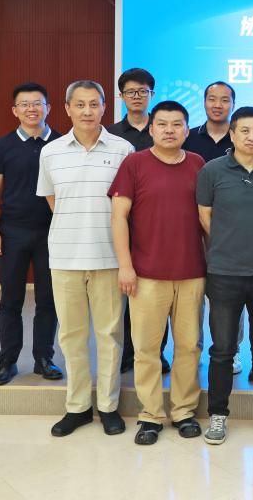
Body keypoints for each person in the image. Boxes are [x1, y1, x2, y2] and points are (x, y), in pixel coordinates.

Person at [38, 80, 134, 437]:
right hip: (65, 257)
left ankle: (108, 406)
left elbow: (128, 205)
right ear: (67, 109)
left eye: (94, 104)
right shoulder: (51, 152)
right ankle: (77, 407)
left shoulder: (123, 149)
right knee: (72, 336)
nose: (88, 111)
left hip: (109, 257)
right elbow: (53, 200)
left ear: (105, 107)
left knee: (109, 335)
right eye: (80, 105)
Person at [109, 101, 207, 446]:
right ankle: (150, 415)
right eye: (162, 124)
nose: (169, 130)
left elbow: (208, 218)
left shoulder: (198, 164)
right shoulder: (134, 164)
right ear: (151, 129)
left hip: (192, 272)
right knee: (147, 349)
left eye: (177, 124)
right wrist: (125, 266)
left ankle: (183, 411)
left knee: (189, 347)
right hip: (146, 274)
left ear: (186, 130)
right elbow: (118, 217)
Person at [197, 107, 253, 444]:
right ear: (232, 134)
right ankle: (218, 415)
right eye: (245, 131)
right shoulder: (212, 170)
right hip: (224, 272)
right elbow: (205, 217)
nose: (252, 137)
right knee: (222, 348)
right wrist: (230, 242)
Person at [0, 82, 63, 386]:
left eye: (37, 103)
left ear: (48, 108)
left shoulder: (61, 143)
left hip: (52, 233)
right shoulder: (2, 146)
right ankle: (7, 361)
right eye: (25, 104)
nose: (32, 109)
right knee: (10, 300)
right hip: (13, 231)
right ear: (14, 110)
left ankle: (44, 358)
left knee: (48, 299)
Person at [106, 67, 169, 375]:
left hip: (158, 225)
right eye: (130, 92)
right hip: (123, 222)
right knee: (126, 290)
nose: (137, 97)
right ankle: (128, 352)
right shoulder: (111, 135)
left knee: (160, 292)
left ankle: (158, 351)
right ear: (121, 96)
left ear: (151, 95)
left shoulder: (163, 129)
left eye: (143, 91)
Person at [182, 80, 242, 376]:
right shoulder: (188, 138)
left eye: (225, 99)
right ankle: (193, 347)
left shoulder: (241, 137)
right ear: (204, 102)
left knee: (232, 294)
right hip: (192, 228)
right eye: (212, 99)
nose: (218, 105)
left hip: (234, 229)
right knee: (194, 292)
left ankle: (232, 351)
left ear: (233, 104)